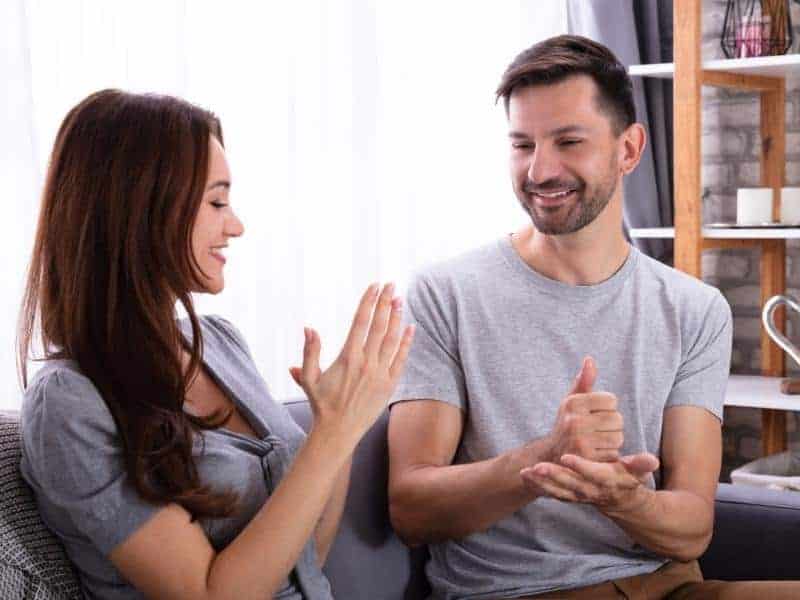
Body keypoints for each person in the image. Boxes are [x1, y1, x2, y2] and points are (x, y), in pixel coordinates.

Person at [386, 35, 799, 599]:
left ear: (629, 150)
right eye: (523, 144)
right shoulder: (445, 294)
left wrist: (621, 498)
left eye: (569, 142)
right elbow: (411, 508)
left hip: (669, 587)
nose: (540, 170)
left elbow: (692, 529)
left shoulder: (695, 310)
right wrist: (543, 459)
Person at [17, 89, 414, 600]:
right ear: (140, 206)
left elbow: (306, 556)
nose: (236, 225)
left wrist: (340, 425)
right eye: (216, 202)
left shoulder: (219, 343)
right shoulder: (69, 404)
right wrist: (332, 435)